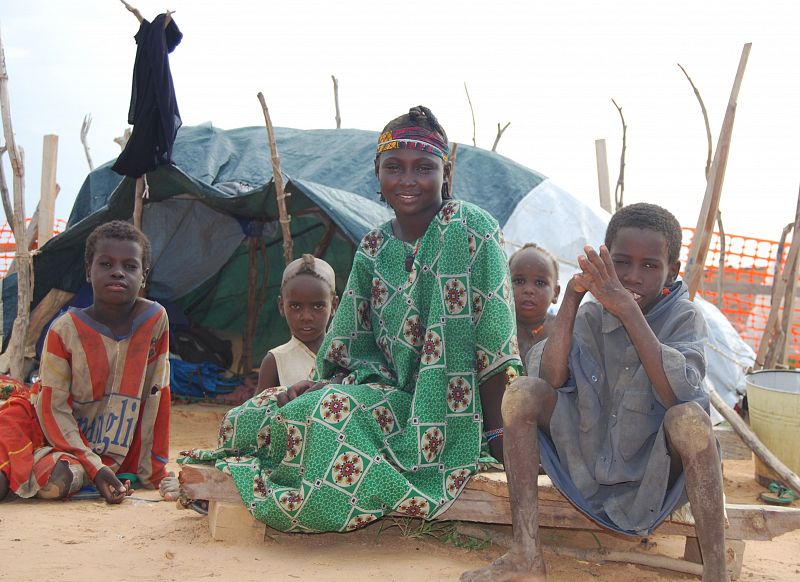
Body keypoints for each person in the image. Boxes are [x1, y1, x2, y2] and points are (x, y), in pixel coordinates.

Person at [180, 106, 521, 532]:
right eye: (394, 167)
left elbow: (494, 344)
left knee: (330, 416)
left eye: (424, 167)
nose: (408, 179)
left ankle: (296, 490)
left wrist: (497, 441)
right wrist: (324, 382)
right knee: (254, 413)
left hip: (448, 415)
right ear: (377, 173)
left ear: (446, 172)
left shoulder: (472, 229)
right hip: (387, 398)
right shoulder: (374, 247)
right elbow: (352, 347)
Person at [463, 203, 728, 582]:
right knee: (523, 392)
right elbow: (551, 379)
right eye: (622, 262)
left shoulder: (684, 317)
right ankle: (526, 556)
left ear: (673, 271)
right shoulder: (590, 314)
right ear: (604, 260)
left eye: (650, 265)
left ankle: (716, 574)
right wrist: (572, 296)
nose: (633, 276)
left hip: (653, 476)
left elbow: (675, 396)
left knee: (689, 418)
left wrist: (627, 311)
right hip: (585, 466)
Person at [0, 220, 172, 504]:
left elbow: (158, 394)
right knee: (13, 467)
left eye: (130, 266)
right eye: (106, 264)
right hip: (46, 431)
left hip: (92, 453)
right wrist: (95, 466)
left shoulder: (154, 319)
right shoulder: (64, 330)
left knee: (59, 479)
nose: (118, 272)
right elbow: (53, 410)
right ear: (88, 272)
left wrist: (153, 473)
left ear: (143, 276)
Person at [257, 254, 339, 392]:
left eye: (318, 306)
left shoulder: (343, 357)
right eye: (296, 306)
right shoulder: (276, 360)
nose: (306, 317)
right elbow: (257, 410)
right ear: (281, 306)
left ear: (334, 305)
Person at [509, 243, 560, 368]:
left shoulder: (562, 330)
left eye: (540, 282)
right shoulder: (495, 327)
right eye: (519, 281)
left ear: (555, 293)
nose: (529, 290)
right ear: (504, 285)